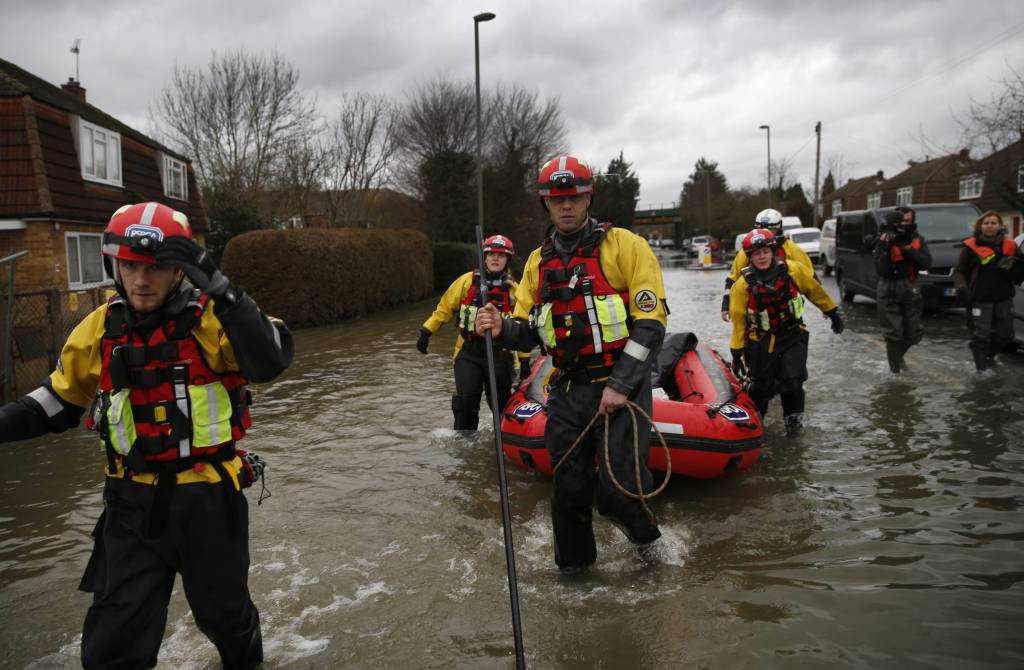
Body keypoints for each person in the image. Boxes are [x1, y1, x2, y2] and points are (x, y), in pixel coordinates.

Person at [0, 202, 293, 670]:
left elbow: (269, 360)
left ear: (180, 269)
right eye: (131, 266)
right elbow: (55, 403)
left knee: (225, 620)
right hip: (130, 505)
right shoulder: (99, 328)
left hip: (208, 501)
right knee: (114, 644)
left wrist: (220, 288)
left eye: (157, 267)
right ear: (114, 265)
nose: (141, 280)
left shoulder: (217, 318)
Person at [475, 155, 668, 573]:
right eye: (557, 198)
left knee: (617, 493)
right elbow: (528, 330)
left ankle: (650, 546)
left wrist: (620, 385)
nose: (566, 206)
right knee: (568, 493)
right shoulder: (535, 263)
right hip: (567, 391)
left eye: (575, 197)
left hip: (622, 389)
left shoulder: (627, 247)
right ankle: (576, 576)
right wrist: (499, 329)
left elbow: (651, 325)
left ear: (588, 197)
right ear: (545, 202)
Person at [728, 228, 843, 437]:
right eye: (756, 253)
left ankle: (793, 422)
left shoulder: (792, 270)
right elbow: (738, 321)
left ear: (773, 251)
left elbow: (814, 290)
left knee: (793, 380)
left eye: (765, 251)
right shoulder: (742, 286)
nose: (761, 257)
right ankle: (757, 423)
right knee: (761, 385)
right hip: (760, 341)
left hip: (792, 335)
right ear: (749, 257)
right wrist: (736, 352)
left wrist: (832, 311)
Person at [417, 234, 529, 431]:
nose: (495, 258)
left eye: (501, 255)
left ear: (507, 260)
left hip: (500, 354)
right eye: (491, 254)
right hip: (469, 352)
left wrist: (526, 360)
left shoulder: (514, 291)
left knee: (502, 401)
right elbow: (444, 309)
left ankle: (505, 437)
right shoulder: (466, 282)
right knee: (467, 399)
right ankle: (466, 442)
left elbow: (522, 328)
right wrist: (427, 331)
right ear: (484, 258)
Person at [952, 210, 1024, 371]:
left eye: (993, 223)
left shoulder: (1010, 246)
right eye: (986, 223)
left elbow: (1020, 269)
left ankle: (989, 356)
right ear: (980, 226)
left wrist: (1013, 271)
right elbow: (959, 271)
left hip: (1003, 298)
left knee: (1004, 336)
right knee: (980, 335)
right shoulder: (970, 246)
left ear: (1000, 226)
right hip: (979, 298)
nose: (989, 226)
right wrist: (961, 287)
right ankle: (980, 369)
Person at [721, 208, 815, 321]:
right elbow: (732, 279)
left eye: (770, 229)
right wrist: (726, 306)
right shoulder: (747, 251)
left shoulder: (790, 248)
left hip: (790, 299)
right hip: (760, 301)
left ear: (778, 228)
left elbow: (809, 277)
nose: (765, 233)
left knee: (797, 326)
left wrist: (825, 308)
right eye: (760, 229)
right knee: (761, 329)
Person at [875, 206, 931, 373]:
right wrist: (884, 247)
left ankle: (897, 358)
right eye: (900, 222)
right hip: (887, 286)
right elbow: (880, 269)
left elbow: (926, 263)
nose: (903, 225)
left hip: (910, 286)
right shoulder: (883, 239)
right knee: (893, 333)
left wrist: (908, 249)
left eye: (907, 221)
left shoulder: (918, 240)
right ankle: (895, 372)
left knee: (914, 332)